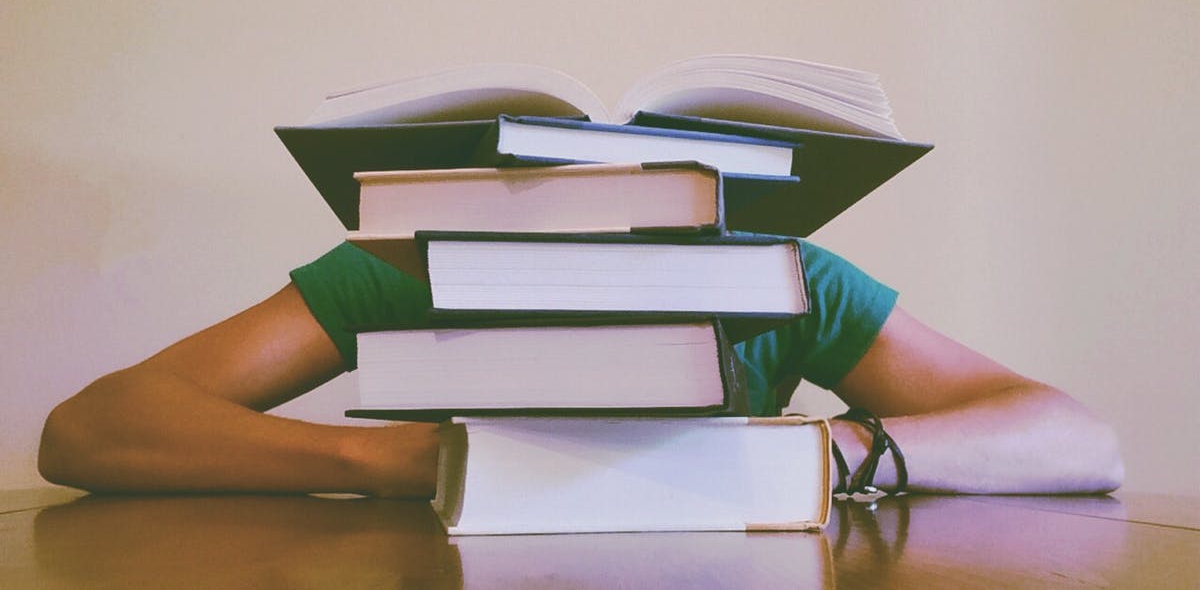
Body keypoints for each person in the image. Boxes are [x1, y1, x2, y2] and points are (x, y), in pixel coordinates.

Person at [37, 240, 1124, 497]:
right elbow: (89, 429)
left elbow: (1078, 437)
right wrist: (416, 460)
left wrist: (834, 451)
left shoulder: (778, 278)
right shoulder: (413, 262)